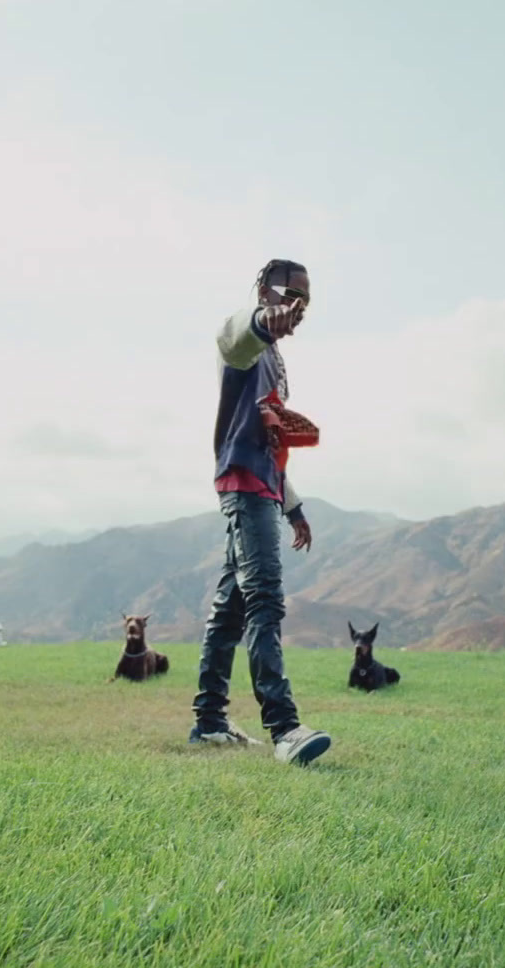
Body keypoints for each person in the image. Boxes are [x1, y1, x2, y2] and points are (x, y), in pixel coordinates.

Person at [188, 258, 332, 766]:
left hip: (263, 489)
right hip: (244, 487)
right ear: (262, 290)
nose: (297, 306)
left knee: (229, 611)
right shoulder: (249, 343)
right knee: (264, 600)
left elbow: (270, 444)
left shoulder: (277, 362)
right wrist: (257, 320)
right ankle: (285, 729)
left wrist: (293, 508)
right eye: (288, 293)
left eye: (305, 300)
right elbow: (229, 339)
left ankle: (208, 724)